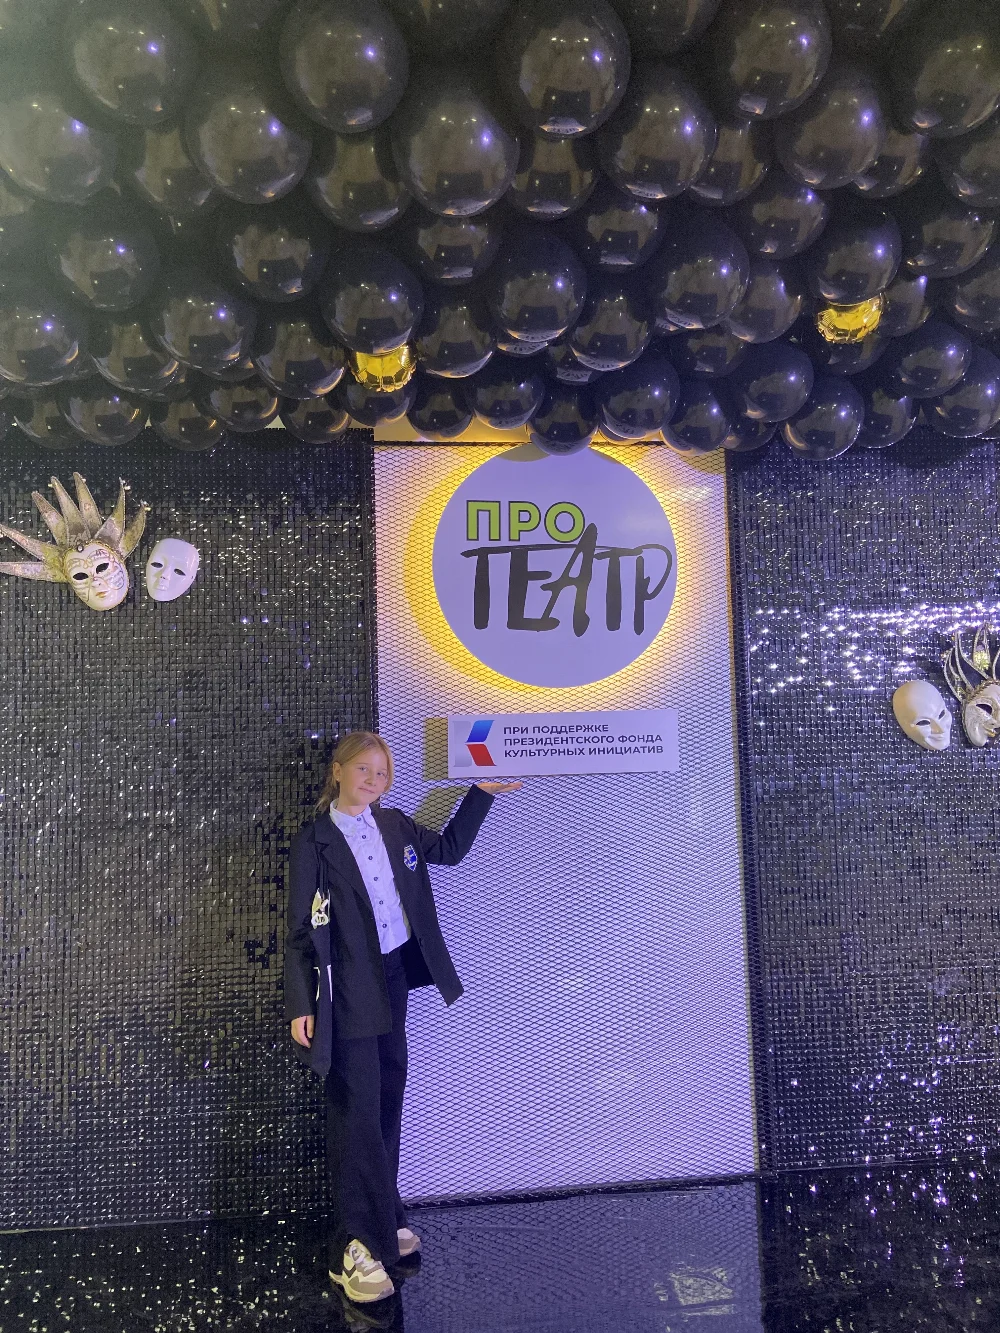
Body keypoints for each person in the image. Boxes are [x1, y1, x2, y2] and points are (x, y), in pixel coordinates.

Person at [284, 730, 521, 1304]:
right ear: (337, 772)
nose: (373, 780)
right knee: (358, 1112)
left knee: (388, 1098)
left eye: (382, 772)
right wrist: (300, 1005)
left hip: (393, 979)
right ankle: (353, 1246)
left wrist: (481, 794)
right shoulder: (314, 842)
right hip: (345, 988)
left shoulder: (394, 827)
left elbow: (450, 851)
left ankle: (384, 1217)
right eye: (362, 769)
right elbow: (297, 933)